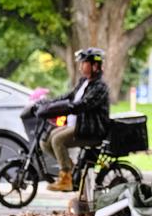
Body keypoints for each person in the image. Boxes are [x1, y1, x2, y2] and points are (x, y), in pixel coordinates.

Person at [39, 47, 110, 192]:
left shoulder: (100, 87)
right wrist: (49, 103)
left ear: (95, 66)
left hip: (91, 130)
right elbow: (69, 96)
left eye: (84, 63)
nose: (80, 66)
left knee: (58, 140)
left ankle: (66, 179)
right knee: (45, 141)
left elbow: (83, 105)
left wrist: (65, 108)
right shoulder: (84, 82)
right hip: (78, 126)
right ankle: (70, 169)